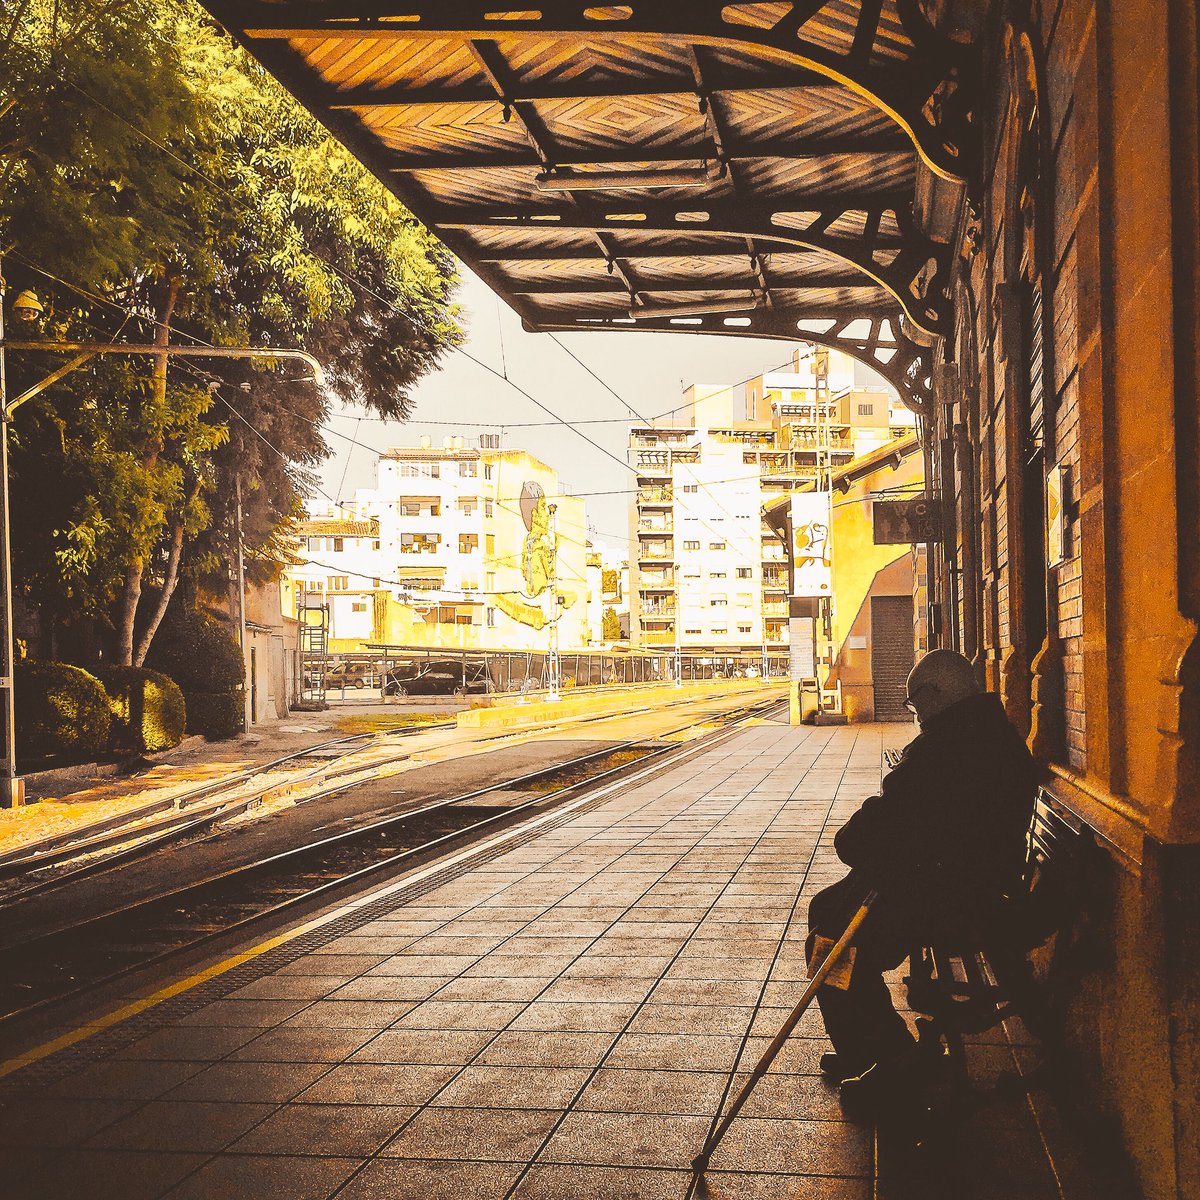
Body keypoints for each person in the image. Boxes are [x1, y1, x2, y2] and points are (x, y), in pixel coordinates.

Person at [806, 649, 1038, 1111]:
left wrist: (857, 837)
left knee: (834, 937)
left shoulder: (949, 748)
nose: (915, 714)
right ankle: (866, 1048)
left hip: (949, 900)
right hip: (967, 886)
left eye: (914, 704)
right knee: (829, 912)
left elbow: (884, 823)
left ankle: (891, 1059)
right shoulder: (987, 734)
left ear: (934, 695)